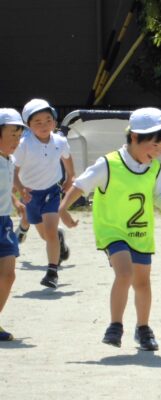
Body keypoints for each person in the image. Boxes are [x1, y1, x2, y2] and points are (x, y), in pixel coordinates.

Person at [58, 107, 161, 351]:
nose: (158, 151)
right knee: (125, 272)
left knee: (143, 282)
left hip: (141, 233)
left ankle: (143, 328)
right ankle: (115, 325)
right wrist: (63, 208)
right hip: (113, 231)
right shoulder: (109, 164)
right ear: (134, 137)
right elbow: (81, 184)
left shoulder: (155, 168)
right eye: (154, 145)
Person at [13, 99, 74, 289]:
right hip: (30, 194)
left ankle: (52, 272)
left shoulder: (59, 140)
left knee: (49, 232)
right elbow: (13, 171)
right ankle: (59, 238)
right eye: (37, 122)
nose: (44, 125)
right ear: (28, 126)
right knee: (45, 235)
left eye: (48, 120)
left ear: (55, 122)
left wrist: (70, 176)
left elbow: (67, 157)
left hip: (52, 190)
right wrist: (21, 188)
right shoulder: (23, 144)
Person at [0, 109, 26, 341]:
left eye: (19, 136)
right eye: (12, 135)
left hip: (4, 222)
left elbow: (5, 189)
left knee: (8, 275)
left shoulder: (10, 159)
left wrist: (16, 201)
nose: (16, 141)